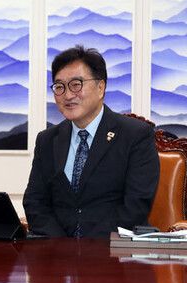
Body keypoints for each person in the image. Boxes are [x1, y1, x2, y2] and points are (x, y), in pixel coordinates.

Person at [23, 45, 160, 238]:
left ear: (100, 87)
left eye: (76, 84)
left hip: (112, 250)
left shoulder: (136, 135)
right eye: (59, 87)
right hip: (57, 249)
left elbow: (136, 206)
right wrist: (62, 245)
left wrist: (86, 247)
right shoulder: (47, 140)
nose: (67, 95)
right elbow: (35, 202)